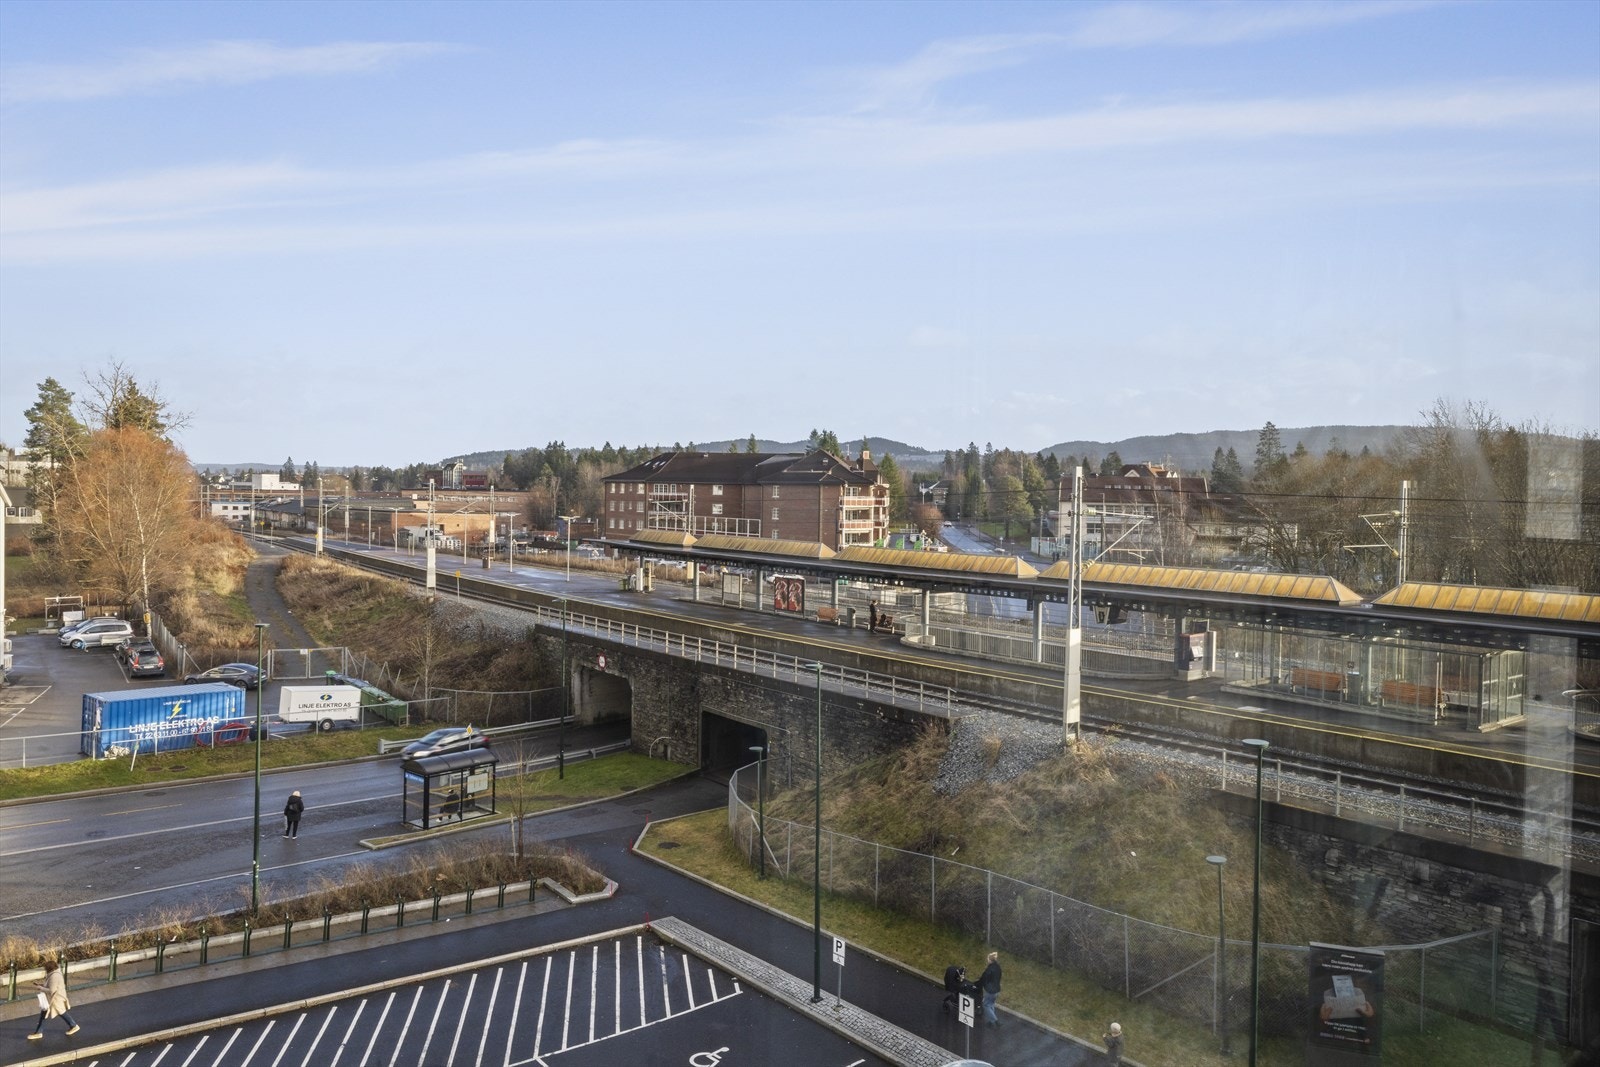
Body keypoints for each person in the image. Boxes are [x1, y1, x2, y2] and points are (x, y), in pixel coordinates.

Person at [28, 959, 80, 1041]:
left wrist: (41, 988)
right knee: (48, 1013)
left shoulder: (54, 976)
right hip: (55, 998)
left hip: (55, 999)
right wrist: (41, 985)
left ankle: (73, 1025)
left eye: (46, 969)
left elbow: (51, 990)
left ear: (49, 969)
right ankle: (39, 1032)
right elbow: (50, 986)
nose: (45, 971)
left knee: (59, 1012)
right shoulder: (55, 974)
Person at [979, 950, 1002, 1027]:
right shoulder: (998, 967)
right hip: (997, 990)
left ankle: (996, 1020)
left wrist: (980, 983)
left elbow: (984, 978)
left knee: (985, 1005)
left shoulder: (990, 969)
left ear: (990, 960)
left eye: (988, 959)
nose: (987, 961)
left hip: (990, 990)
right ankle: (991, 1021)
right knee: (991, 1004)